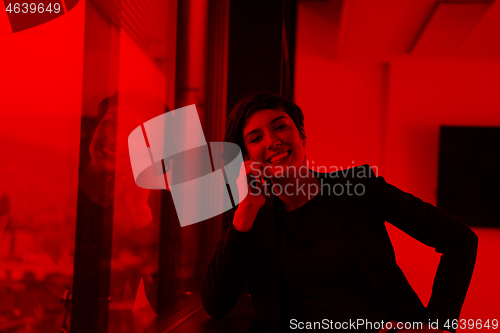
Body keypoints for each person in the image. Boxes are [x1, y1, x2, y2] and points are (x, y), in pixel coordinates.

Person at [201, 93, 478, 333]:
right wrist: (246, 211)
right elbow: (216, 304)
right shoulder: (249, 217)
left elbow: (459, 239)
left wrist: (437, 324)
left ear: (302, 137)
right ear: (248, 159)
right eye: (256, 137)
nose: (272, 141)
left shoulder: (360, 187)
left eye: (281, 127)